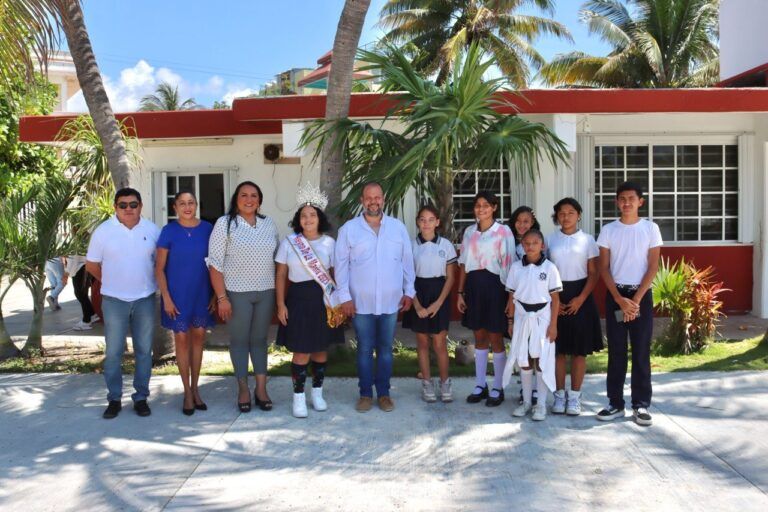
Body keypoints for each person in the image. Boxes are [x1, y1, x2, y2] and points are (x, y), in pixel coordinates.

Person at [335, 181, 415, 413]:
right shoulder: (349, 229)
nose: (373, 201)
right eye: (368, 198)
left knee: (386, 350)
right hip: (360, 303)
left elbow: (407, 262)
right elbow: (340, 267)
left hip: (391, 303)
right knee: (364, 349)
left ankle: (384, 394)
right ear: (362, 201)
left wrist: (409, 291)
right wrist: (344, 298)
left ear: (383, 199)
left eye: (377, 197)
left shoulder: (397, 228)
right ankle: (365, 394)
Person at [86, 187, 160, 419]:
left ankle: (141, 398)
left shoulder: (152, 229)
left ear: (141, 206)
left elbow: (160, 263)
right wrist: (110, 282)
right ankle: (114, 399)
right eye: (123, 205)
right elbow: (91, 265)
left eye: (133, 204)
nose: (128, 209)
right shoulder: (103, 231)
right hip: (114, 300)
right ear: (115, 207)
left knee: (144, 352)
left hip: (145, 299)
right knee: (114, 352)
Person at [207, 181, 279, 413]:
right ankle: (243, 389)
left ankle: (261, 389)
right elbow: (215, 264)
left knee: (259, 341)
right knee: (239, 341)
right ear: (236, 199)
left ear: (260, 200)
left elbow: (277, 258)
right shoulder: (225, 224)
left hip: (266, 291)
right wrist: (221, 298)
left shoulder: (269, 224)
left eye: (254, 195)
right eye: (244, 195)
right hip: (236, 293)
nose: (249, 200)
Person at [596, 181, 662, 427]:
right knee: (616, 351)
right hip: (616, 295)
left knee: (641, 350)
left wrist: (634, 301)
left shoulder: (650, 229)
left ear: (640, 201)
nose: (626, 202)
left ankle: (641, 404)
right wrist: (619, 299)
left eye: (631, 198)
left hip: (640, 296)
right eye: (622, 198)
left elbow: (653, 266)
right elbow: (603, 267)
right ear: (617, 202)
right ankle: (615, 402)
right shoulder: (608, 230)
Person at [275, 183, 344, 418]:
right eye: (303, 216)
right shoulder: (289, 243)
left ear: (319, 218)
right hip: (298, 300)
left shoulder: (330, 244)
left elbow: (336, 275)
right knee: (301, 350)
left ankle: (317, 393)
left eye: (312, 215)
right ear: (298, 219)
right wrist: (281, 304)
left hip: (323, 299)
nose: (308, 219)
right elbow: (282, 274)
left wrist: (339, 302)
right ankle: (298, 398)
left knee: (320, 350)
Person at [155, 191, 215, 416]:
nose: (187, 207)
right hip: (176, 296)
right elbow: (159, 269)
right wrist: (167, 298)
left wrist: (215, 295)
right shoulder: (168, 231)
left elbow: (217, 263)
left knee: (199, 338)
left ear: (196, 205)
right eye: (182, 203)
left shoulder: (209, 229)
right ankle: (186, 392)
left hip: (202, 293)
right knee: (181, 340)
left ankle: (196, 388)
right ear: (175, 208)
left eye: (191, 203)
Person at [457, 191, 515, 407]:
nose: (481, 209)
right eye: (477, 205)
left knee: (496, 338)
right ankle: (480, 385)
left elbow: (509, 266)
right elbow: (463, 263)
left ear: (494, 207)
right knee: (479, 337)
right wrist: (460, 293)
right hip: (474, 287)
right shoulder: (469, 232)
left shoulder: (504, 232)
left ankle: (498, 387)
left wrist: (510, 298)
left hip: (496, 288)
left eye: (486, 205)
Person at [546, 198, 603, 416]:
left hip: (581, 296)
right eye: (561, 213)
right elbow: (546, 271)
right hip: (556, 294)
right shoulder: (550, 240)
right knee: (558, 351)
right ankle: (559, 396)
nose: (566, 216)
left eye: (571, 212)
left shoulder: (588, 240)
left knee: (579, 351)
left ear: (579, 215)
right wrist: (555, 302)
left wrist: (581, 298)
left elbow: (593, 273)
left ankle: (575, 397)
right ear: (557, 216)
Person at [503, 229, 562, 421]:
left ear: (542, 245)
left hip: (542, 318)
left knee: (541, 360)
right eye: (526, 243)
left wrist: (553, 325)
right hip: (521, 318)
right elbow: (511, 296)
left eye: (534, 243)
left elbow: (556, 299)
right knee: (524, 359)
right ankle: (527, 402)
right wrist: (511, 321)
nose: (530, 247)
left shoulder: (549, 268)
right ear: (522, 245)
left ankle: (541, 404)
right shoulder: (516, 268)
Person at [402, 204, 457, 403]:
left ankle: (445, 382)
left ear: (437, 222)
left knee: (440, 343)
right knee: (423, 342)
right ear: (418, 222)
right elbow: (407, 278)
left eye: (430, 219)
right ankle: (426, 383)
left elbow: (450, 278)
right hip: (418, 292)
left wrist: (437, 304)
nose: (426, 223)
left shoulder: (446, 245)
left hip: (439, 293)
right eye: (422, 219)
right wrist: (416, 305)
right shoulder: (410, 245)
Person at [507, 205, 541, 404]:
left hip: (536, 304)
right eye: (518, 221)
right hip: (516, 302)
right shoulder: (510, 242)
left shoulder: (538, 243)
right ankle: (525, 388)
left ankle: (537, 388)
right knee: (522, 347)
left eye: (526, 221)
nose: (522, 225)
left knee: (536, 347)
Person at [64, 254, 98, 331]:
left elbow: (73, 259)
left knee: (81, 294)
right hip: (83, 266)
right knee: (81, 294)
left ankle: (86, 321)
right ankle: (92, 314)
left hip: (80, 268)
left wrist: (66, 273)